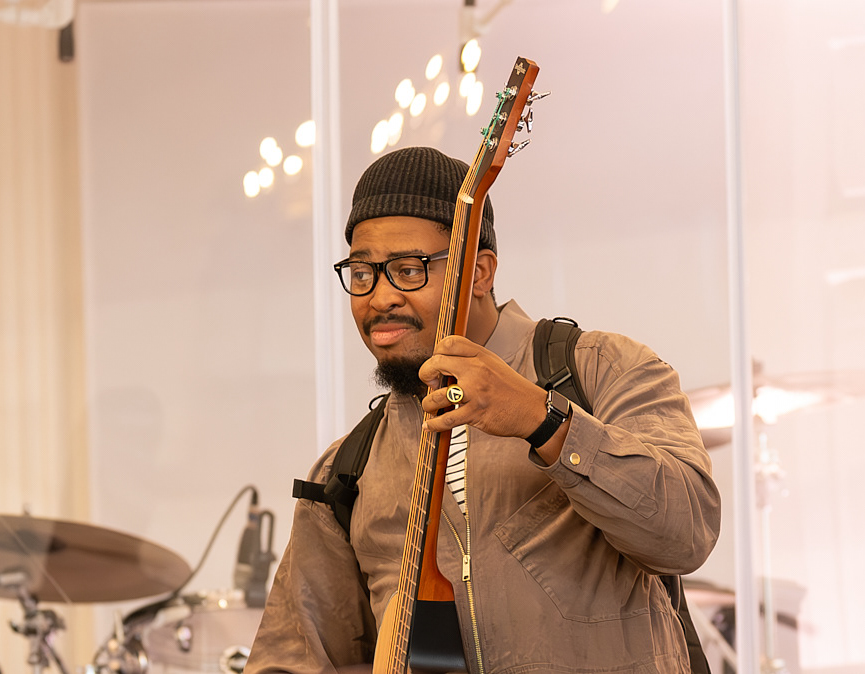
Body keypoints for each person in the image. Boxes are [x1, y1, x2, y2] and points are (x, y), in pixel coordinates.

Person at [247, 146, 720, 673]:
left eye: (407, 270)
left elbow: (687, 534)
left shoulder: (601, 369)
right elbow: (288, 658)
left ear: (479, 272)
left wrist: (543, 420)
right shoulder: (347, 472)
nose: (379, 298)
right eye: (362, 273)